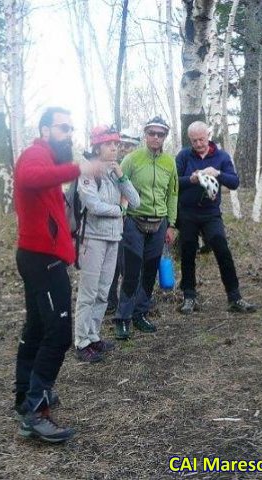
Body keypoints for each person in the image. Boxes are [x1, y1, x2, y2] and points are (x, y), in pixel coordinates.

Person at [13, 106, 105, 443]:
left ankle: (25, 396)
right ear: (45, 129)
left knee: (37, 327)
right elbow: (28, 179)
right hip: (42, 259)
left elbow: (51, 209)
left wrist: (69, 243)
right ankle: (35, 412)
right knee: (58, 334)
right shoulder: (34, 155)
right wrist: (78, 168)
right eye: (62, 128)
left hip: (43, 255)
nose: (68, 134)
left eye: (70, 128)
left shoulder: (48, 159)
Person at [176, 121, 258, 315]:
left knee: (221, 247)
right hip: (187, 212)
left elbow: (235, 182)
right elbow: (174, 183)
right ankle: (189, 296)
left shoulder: (221, 156)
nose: (198, 144)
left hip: (211, 212)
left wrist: (218, 173)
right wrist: (192, 179)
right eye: (194, 140)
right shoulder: (184, 156)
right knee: (187, 251)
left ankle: (235, 297)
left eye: (202, 139)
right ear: (190, 140)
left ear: (208, 135)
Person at [73, 125, 140, 362]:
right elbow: (93, 205)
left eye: (116, 144)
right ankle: (81, 341)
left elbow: (136, 201)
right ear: (97, 145)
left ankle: (93, 336)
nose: (115, 147)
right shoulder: (87, 170)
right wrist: (120, 209)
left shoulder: (114, 171)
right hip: (92, 238)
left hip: (113, 238)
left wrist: (122, 176)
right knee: (88, 292)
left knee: (103, 292)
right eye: (109, 143)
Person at [113, 116, 178, 340]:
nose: (156, 137)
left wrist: (171, 224)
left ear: (165, 137)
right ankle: (122, 318)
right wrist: (120, 214)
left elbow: (173, 193)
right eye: (152, 133)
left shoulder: (170, 163)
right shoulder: (132, 159)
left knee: (150, 272)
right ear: (145, 134)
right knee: (131, 272)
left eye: (160, 134)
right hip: (133, 221)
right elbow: (118, 185)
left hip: (159, 223)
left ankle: (140, 314)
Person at [106, 128, 142, 315]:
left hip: (135, 219)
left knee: (132, 262)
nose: (127, 149)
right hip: (116, 219)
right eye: (125, 145)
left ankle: (132, 298)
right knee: (114, 263)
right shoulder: (112, 165)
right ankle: (110, 299)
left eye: (131, 146)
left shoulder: (139, 164)